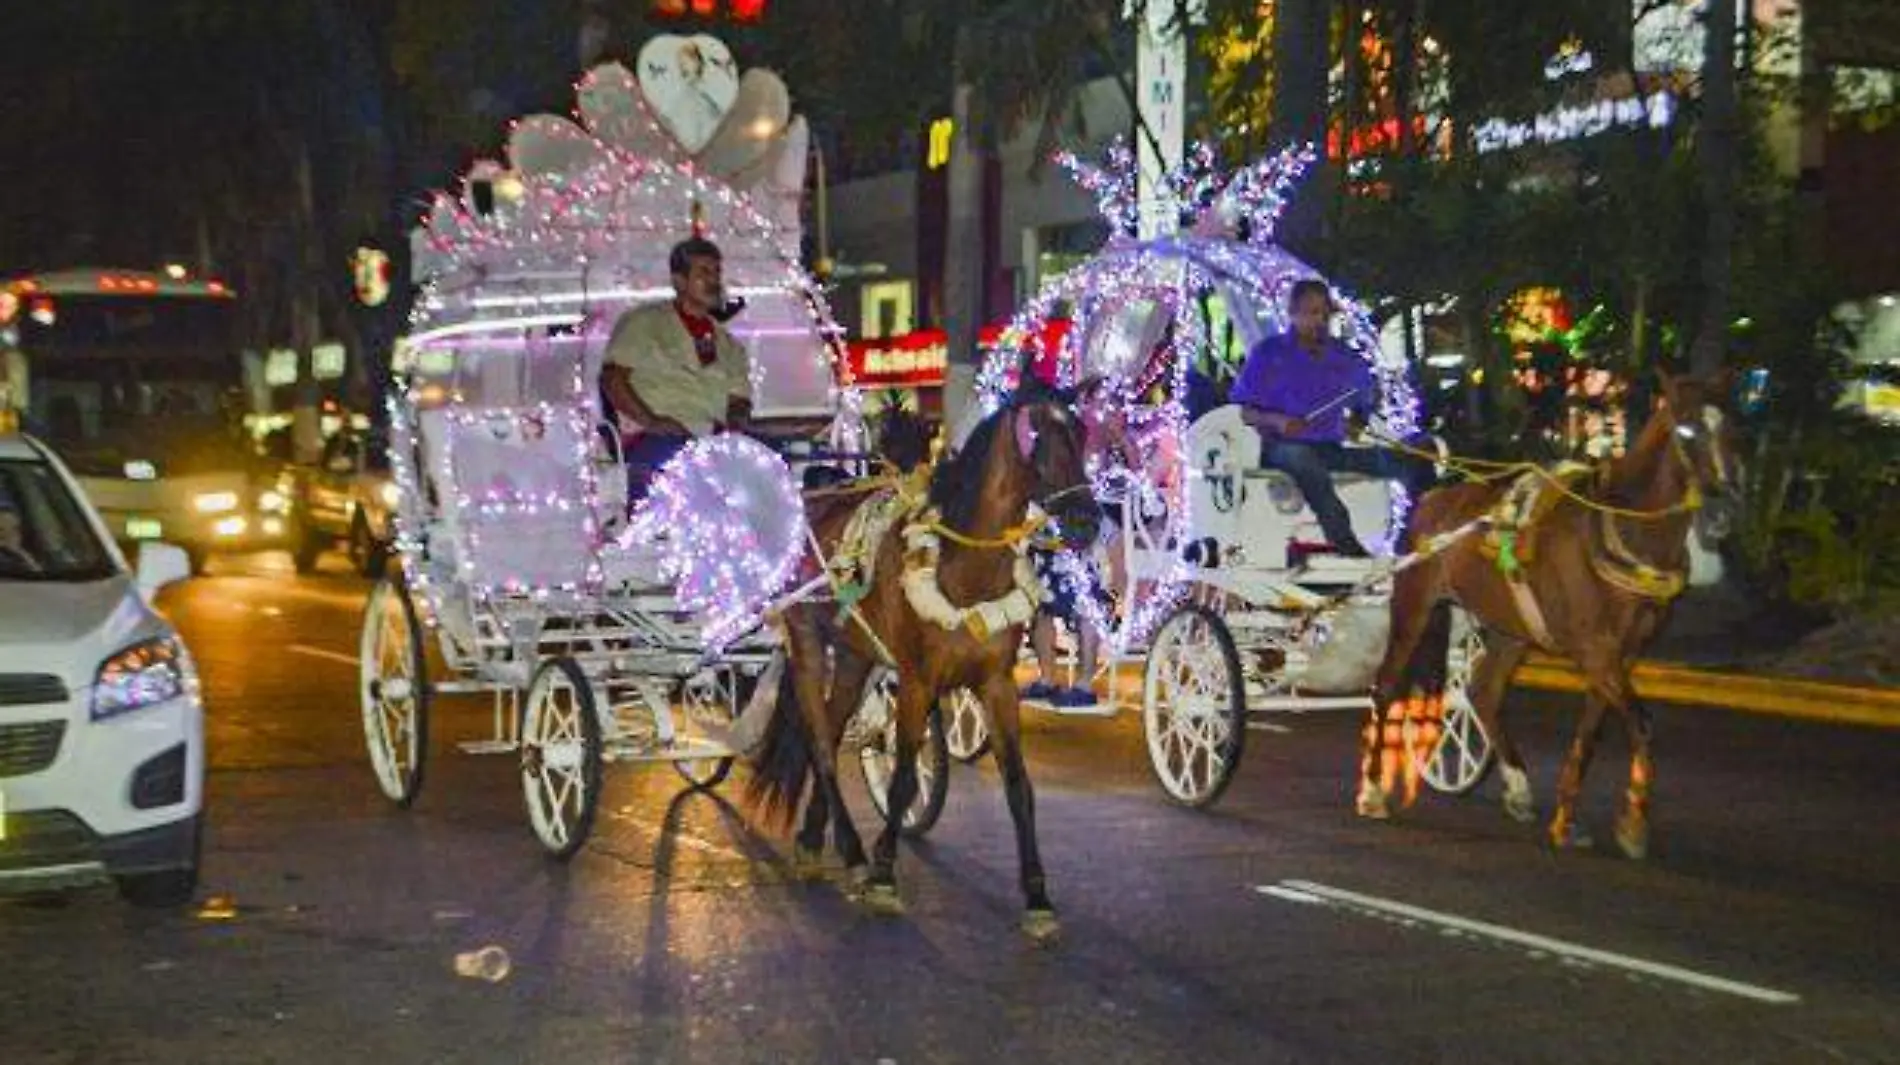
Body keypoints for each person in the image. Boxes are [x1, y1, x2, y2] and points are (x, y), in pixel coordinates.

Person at [1231, 279, 1428, 557]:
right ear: (1293, 312)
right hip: (1280, 448)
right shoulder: (1268, 352)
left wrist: (1358, 420)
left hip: (1329, 449)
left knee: (1412, 462)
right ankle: (1346, 544)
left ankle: (1410, 543)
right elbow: (1243, 411)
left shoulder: (1341, 355)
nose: (1320, 321)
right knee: (1302, 458)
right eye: (1312, 313)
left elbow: (1365, 397)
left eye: (1325, 314)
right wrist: (1278, 421)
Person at [599, 236, 753, 503]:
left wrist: (735, 425)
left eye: (717, 272)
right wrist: (652, 421)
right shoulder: (645, 323)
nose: (713, 280)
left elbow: (739, 398)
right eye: (703, 272)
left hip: (714, 443)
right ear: (679, 281)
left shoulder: (729, 345)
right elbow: (613, 381)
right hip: (657, 439)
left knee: (770, 467)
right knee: (679, 473)